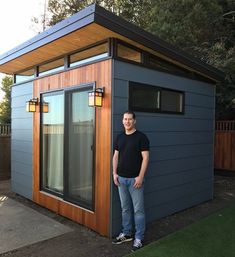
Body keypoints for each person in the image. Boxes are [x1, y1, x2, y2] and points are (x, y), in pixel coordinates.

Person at [112, 110, 150, 252]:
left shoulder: (141, 137)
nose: (127, 121)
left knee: (138, 211)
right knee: (125, 208)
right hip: (121, 179)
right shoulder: (119, 137)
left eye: (129, 119)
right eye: (125, 119)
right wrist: (114, 173)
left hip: (135, 180)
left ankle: (138, 238)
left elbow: (146, 158)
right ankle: (127, 233)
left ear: (134, 121)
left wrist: (140, 177)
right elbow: (115, 156)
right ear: (122, 121)